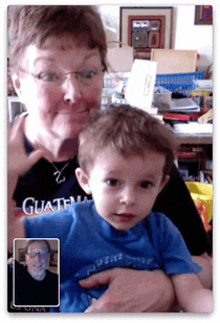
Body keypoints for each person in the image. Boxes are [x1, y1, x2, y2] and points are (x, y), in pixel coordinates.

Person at [8, 5, 212, 313]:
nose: (73, 93)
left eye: (88, 73)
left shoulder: (139, 153)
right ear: (17, 81)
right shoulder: (8, 165)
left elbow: (203, 263)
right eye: (49, 74)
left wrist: (161, 286)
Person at [9, 106, 213, 313]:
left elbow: (193, 295)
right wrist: (7, 178)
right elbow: (9, 236)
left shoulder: (163, 232)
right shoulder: (68, 224)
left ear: (160, 186)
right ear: (85, 181)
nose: (129, 199)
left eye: (145, 185)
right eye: (113, 182)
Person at [14, 239, 59, 306]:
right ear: (26, 257)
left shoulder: (58, 282)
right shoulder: (12, 277)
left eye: (43, 254)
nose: (38, 259)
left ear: (49, 257)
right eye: (32, 254)